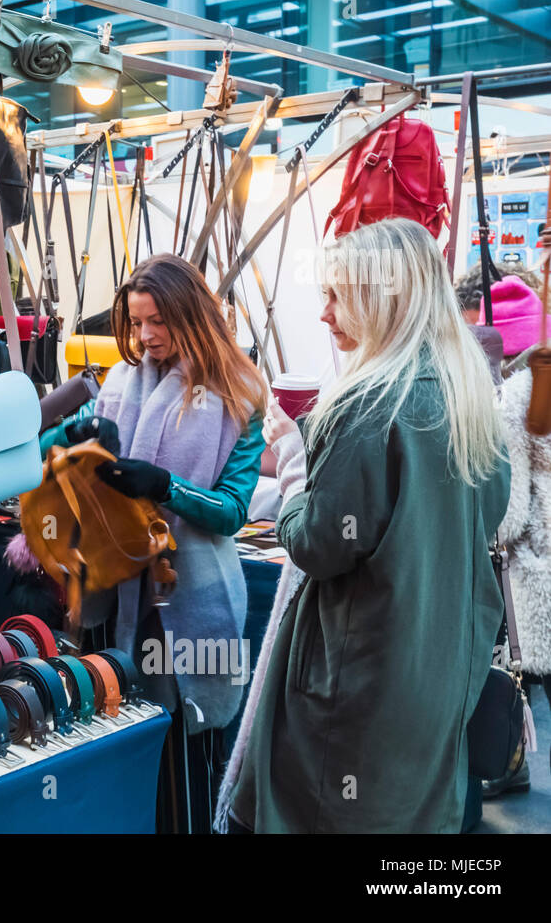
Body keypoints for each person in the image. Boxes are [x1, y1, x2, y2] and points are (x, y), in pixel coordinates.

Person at [221, 217, 510, 833]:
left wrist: (296, 467)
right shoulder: (468, 397)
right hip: (439, 666)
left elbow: (316, 544)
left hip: (363, 675)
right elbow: (492, 514)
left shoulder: (369, 408)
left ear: (385, 297)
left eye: (336, 295)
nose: (324, 314)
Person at [42, 252, 267, 833]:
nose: (144, 336)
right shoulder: (118, 382)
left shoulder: (238, 394)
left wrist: (167, 486)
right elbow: (49, 440)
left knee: (182, 753)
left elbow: (233, 511)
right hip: (111, 591)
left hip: (185, 605)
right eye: (136, 322)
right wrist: (80, 436)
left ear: (190, 314)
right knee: (117, 737)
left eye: (157, 322)